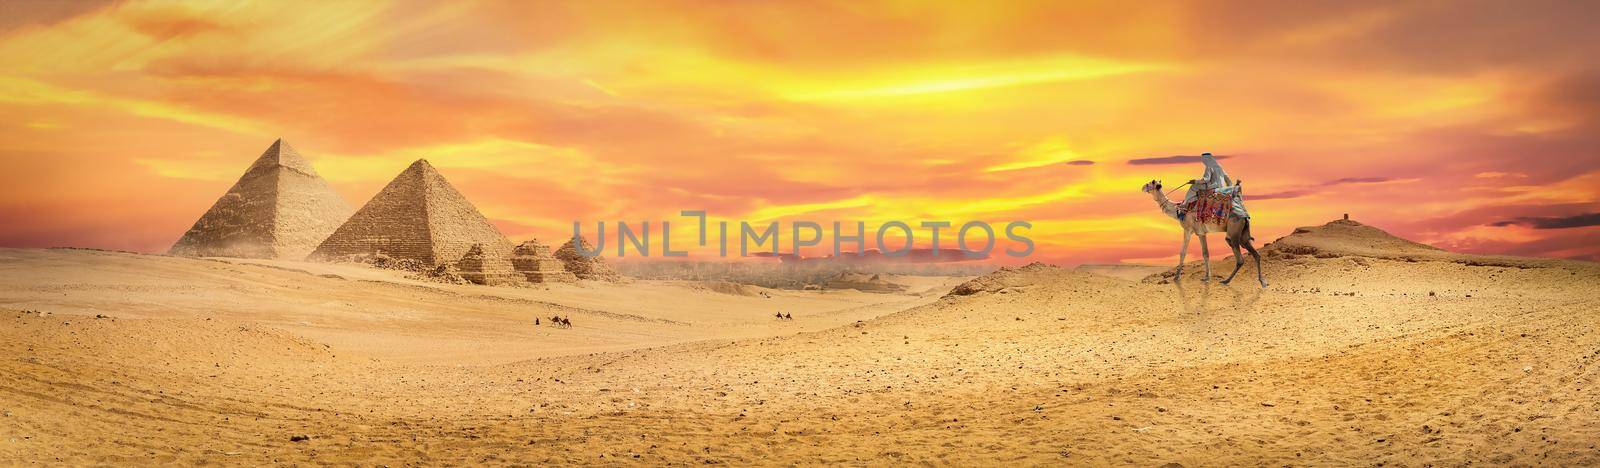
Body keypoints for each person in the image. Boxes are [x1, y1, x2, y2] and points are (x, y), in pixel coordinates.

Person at [1181, 152, 1248, 219]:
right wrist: (1229, 186)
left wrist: (1195, 181)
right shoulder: (1219, 166)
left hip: (1212, 186)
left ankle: (1185, 203)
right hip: (1221, 187)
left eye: (1203, 159)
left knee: (1194, 187)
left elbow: (1206, 179)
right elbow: (1227, 178)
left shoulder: (1209, 166)